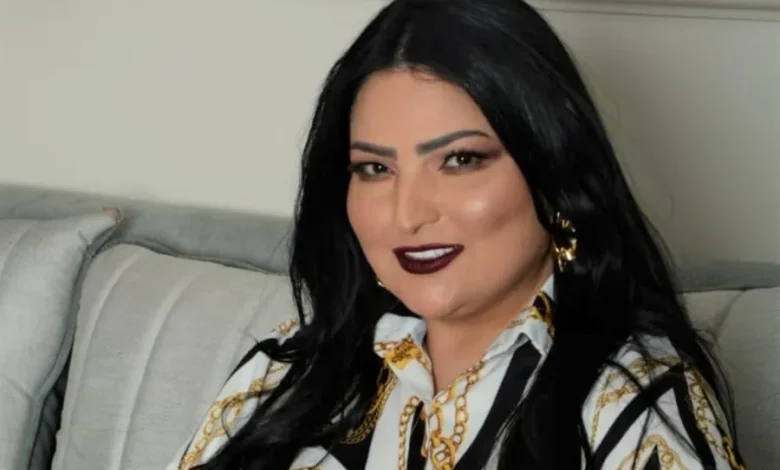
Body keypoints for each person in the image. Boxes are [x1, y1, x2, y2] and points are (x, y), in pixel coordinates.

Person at [166, 0, 747, 468]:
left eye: (461, 160)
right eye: (375, 168)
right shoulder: (285, 371)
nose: (407, 214)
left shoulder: (632, 405)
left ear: (554, 176)